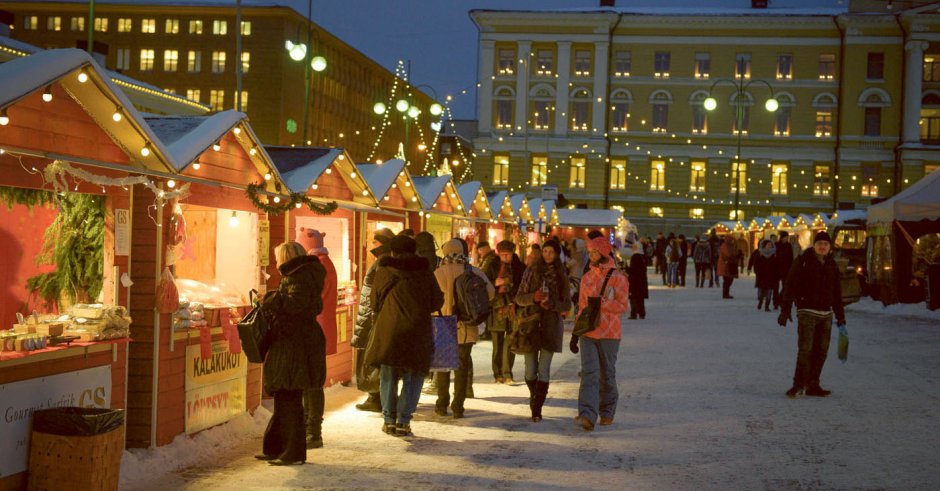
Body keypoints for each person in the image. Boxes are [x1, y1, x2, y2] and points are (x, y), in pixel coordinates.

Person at [366, 234, 444, 436]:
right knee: (414, 375)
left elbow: (374, 304)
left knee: (389, 374)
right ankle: (403, 421)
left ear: (393, 252)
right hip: (417, 330)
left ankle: (388, 419)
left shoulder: (383, 272)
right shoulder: (425, 272)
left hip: (390, 330)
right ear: (414, 251)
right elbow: (437, 302)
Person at [257, 241, 326, 466]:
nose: (276, 263)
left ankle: (293, 452)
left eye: (278, 258)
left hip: (293, 344)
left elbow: (294, 304)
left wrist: (271, 299)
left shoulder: (298, 277)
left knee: (290, 398)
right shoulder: (303, 275)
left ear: (286, 257)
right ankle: (276, 447)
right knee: (284, 396)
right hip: (296, 342)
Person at [778, 231, 846, 399]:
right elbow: (789, 285)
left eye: (825, 244)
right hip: (807, 311)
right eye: (819, 244)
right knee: (805, 350)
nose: (822, 247)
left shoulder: (832, 265)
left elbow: (837, 292)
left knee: (821, 351)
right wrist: (785, 310)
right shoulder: (802, 262)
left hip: (826, 314)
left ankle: (813, 384)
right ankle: (798, 385)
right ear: (814, 245)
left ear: (830, 247)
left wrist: (841, 316)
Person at [572, 236, 629, 431]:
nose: (591, 255)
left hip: (609, 334)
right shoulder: (586, 278)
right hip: (588, 332)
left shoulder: (618, 278)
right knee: (589, 373)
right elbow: (581, 308)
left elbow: (622, 306)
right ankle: (587, 414)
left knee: (607, 374)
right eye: (589, 252)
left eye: (594, 251)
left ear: (603, 252)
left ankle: (607, 411)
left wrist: (604, 303)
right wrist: (575, 333)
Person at [433, 239, 495, 417]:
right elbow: (490, 293)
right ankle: (458, 406)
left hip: (443, 323)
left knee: (443, 367)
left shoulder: (438, 272)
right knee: (462, 367)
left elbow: (430, 299)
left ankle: (441, 404)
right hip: (466, 325)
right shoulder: (473, 271)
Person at [514, 239, 571, 422]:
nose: (547, 254)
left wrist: (552, 304)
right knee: (530, 369)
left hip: (551, 325)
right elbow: (519, 298)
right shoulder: (531, 271)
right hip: (530, 324)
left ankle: (537, 408)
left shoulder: (562, 274)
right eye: (545, 251)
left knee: (544, 370)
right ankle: (534, 396)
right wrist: (534, 297)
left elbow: (567, 304)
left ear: (556, 254)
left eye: (551, 252)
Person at [295, 228, 335, 449]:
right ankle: (309, 427)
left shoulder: (318, 266)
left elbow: (314, 297)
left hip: (316, 327)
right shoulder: (324, 262)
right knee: (311, 381)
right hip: (320, 326)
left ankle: (312, 430)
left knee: (312, 381)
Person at [350, 227, 396, 413]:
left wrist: (371, 318)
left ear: (382, 243)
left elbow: (375, 293)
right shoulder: (386, 261)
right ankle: (377, 396)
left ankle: (375, 397)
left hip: (372, 317)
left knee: (372, 358)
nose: (372, 245)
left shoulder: (381, 264)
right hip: (373, 316)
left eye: (375, 242)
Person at [488, 240, 526, 383]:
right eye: (502, 255)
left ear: (512, 253)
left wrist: (512, 285)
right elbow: (483, 285)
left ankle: (507, 372)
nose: (505, 257)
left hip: (513, 308)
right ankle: (497, 373)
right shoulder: (491, 266)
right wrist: (494, 283)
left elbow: (524, 286)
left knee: (510, 341)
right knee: (497, 343)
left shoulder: (519, 268)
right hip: (497, 309)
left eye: (507, 255)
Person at [749, 239, 779, 312]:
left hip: (771, 276)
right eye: (768, 245)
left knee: (769, 292)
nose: (769, 246)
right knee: (761, 293)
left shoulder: (774, 254)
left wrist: (776, 274)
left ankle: (767, 306)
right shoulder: (759, 254)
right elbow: (756, 264)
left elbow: (777, 265)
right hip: (762, 276)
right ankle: (760, 301)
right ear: (764, 245)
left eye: (771, 245)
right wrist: (757, 272)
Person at [477, 241, 498, 341]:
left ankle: (487, 332)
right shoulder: (487, 258)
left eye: (480, 250)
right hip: (489, 287)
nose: (479, 253)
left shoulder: (490, 259)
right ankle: (486, 331)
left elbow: (482, 273)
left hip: (489, 288)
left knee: (487, 311)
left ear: (485, 248)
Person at [627, 242, 648, 320]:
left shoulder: (635, 257)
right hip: (641, 281)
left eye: (633, 247)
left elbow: (633, 270)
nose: (632, 248)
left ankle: (634, 314)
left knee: (634, 297)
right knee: (640, 299)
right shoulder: (642, 256)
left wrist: (626, 269)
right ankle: (642, 313)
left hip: (635, 281)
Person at [774, 231, 795, 309]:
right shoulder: (776, 245)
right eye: (785, 237)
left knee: (785, 287)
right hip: (776, 269)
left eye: (787, 238)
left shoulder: (788, 245)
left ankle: (781, 300)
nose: (786, 239)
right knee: (775, 287)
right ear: (781, 238)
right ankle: (775, 303)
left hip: (786, 269)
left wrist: (791, 268)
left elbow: (791, 257)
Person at [718, 235, 738, 299]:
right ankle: (725, 294)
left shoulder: (731, 246)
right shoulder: (725, 246)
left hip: (729, 265)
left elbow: (734, 253)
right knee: (727, 280)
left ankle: (726, 293)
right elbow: (728, 254)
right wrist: (734, 255)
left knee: (729, 280)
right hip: (726, 266)